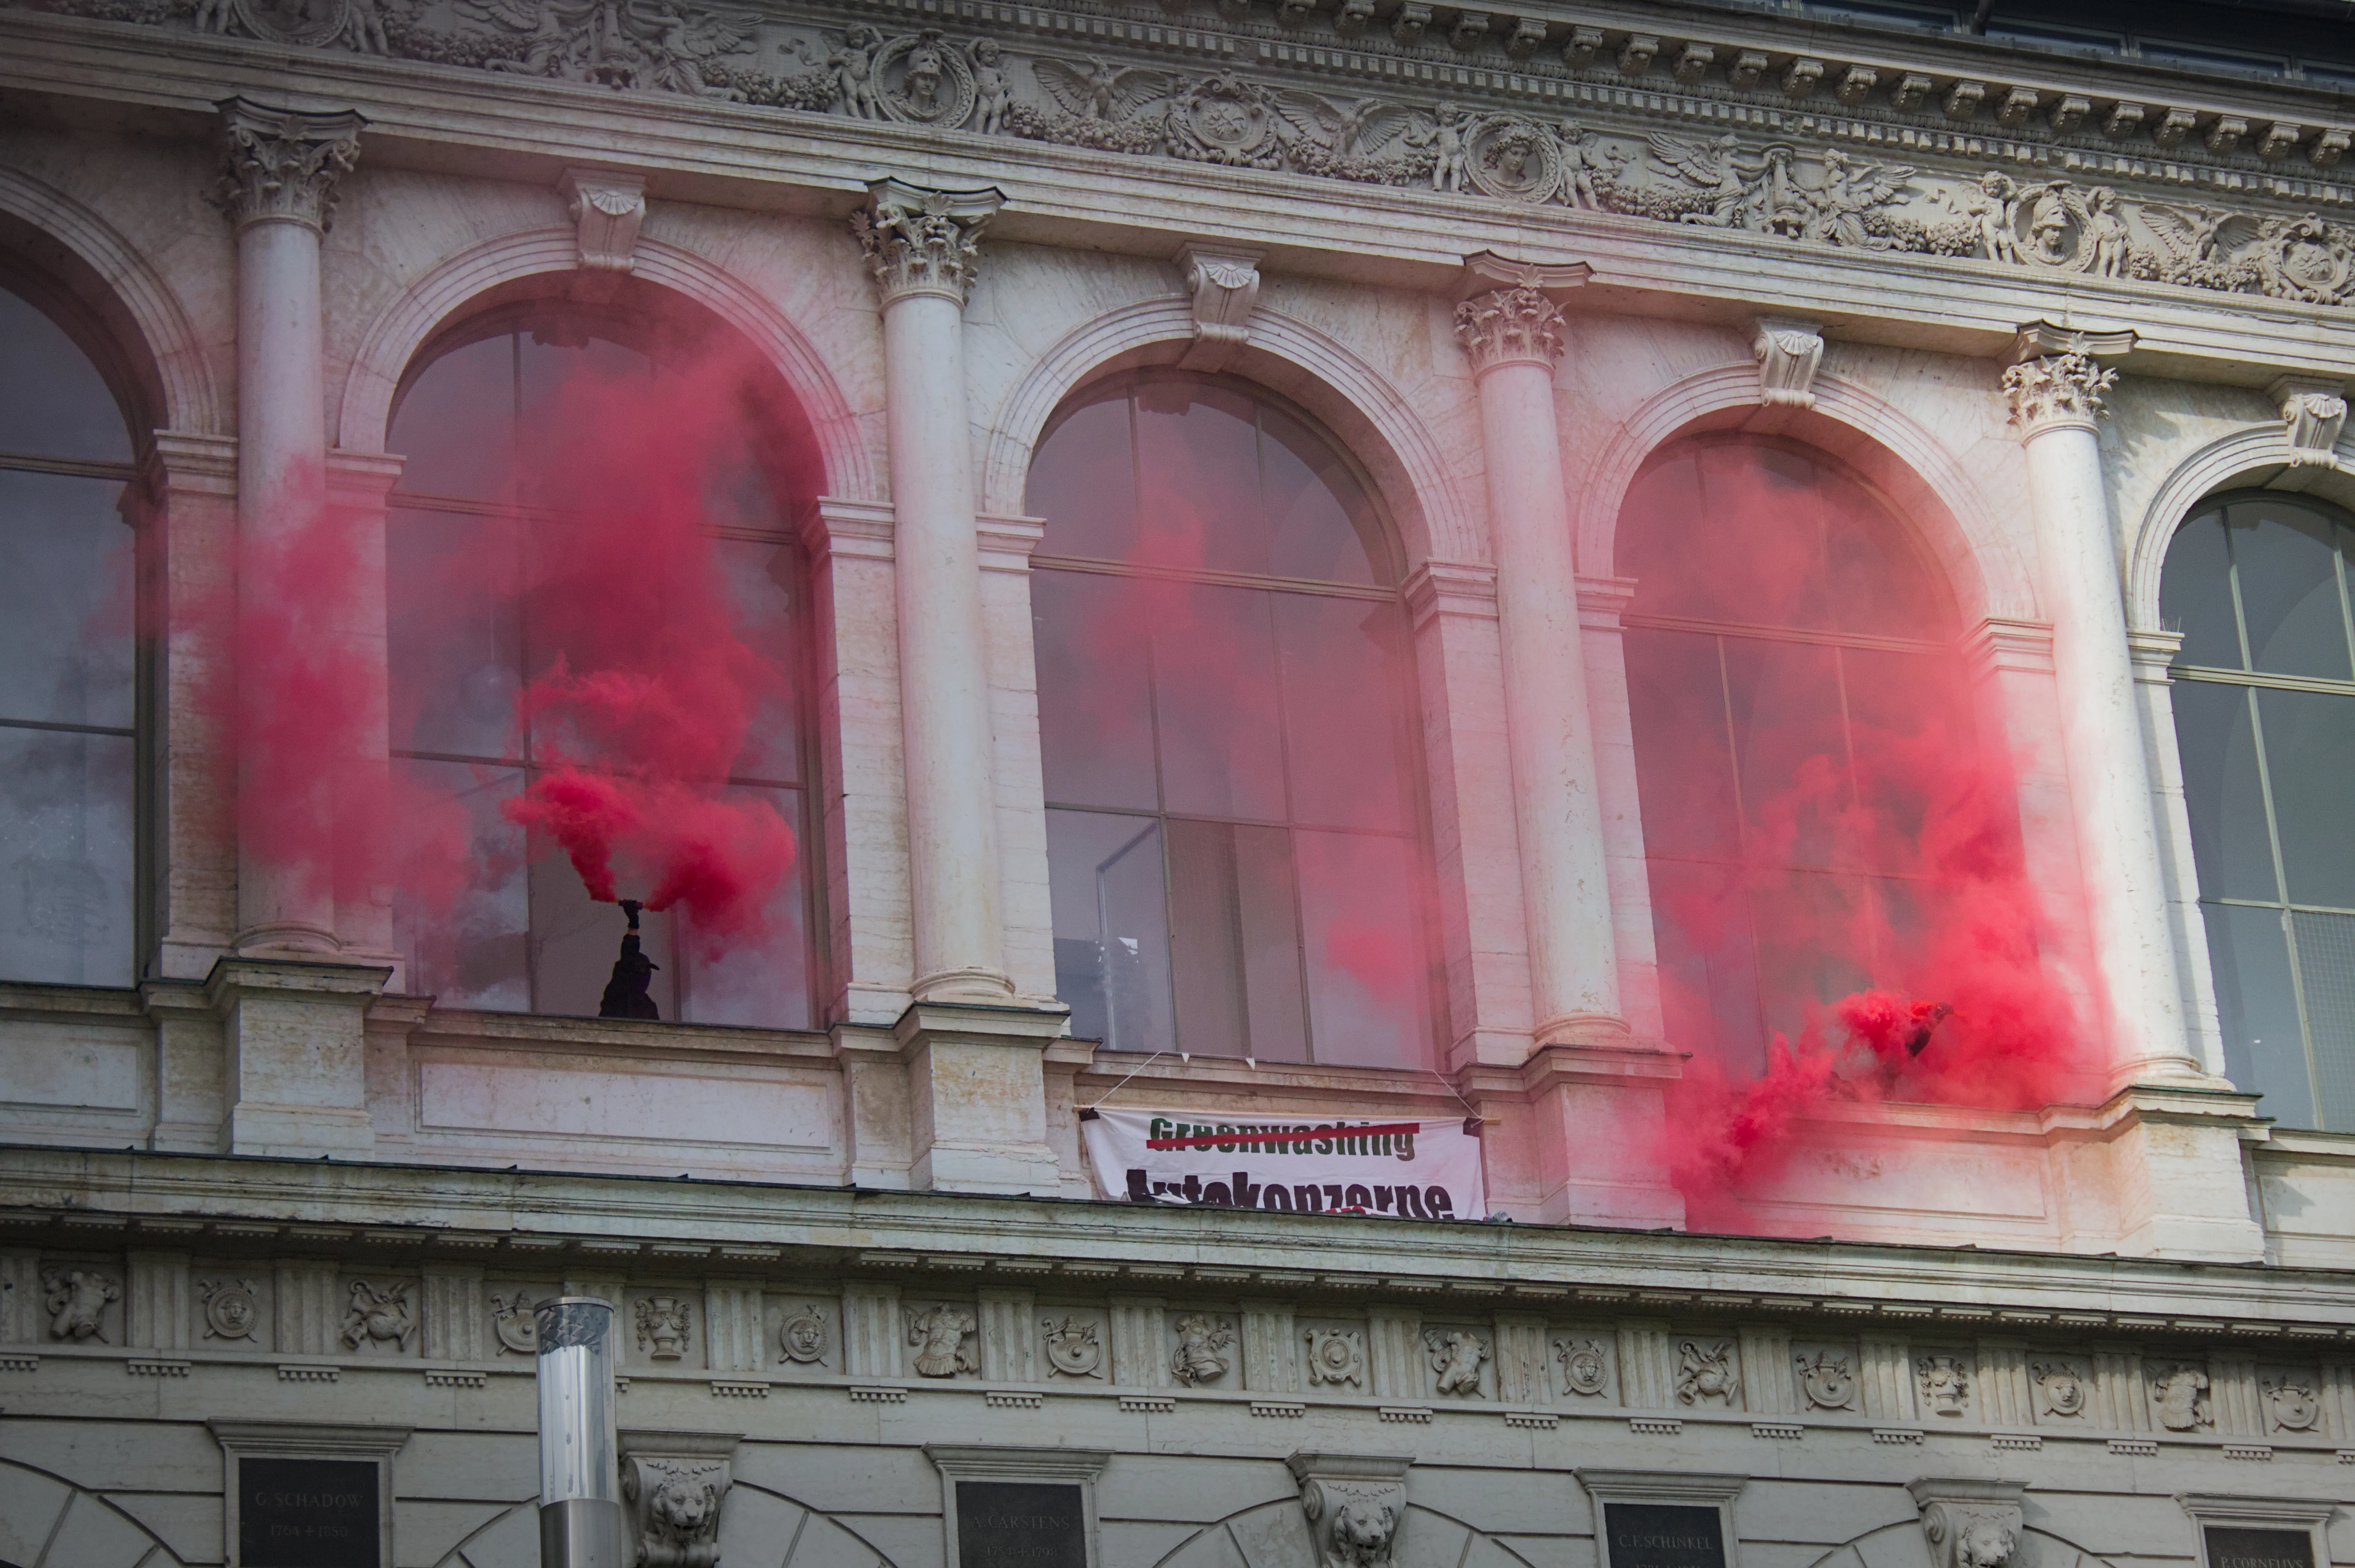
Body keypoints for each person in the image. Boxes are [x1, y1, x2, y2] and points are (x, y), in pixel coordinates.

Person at [598, 900, 662, 1020]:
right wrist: (633, 924)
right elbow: (629, 953)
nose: (644, 975)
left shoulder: (648, 1006)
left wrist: (634, 924)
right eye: (640, 970)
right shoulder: (617, 999)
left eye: (645, 971)